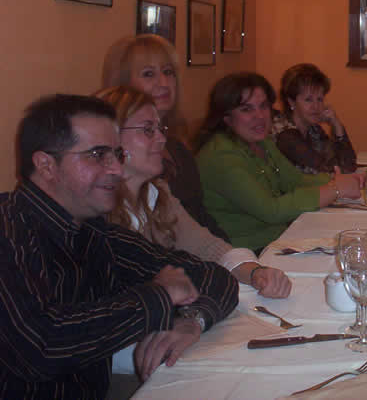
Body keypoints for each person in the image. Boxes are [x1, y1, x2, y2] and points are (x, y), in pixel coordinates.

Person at [0, 94, 238, 398]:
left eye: (116, 154)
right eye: (98, 154)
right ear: (46, 165)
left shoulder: (94, 232)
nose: (116, 169)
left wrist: (192, 321)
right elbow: (41, 347)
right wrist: (158, 296)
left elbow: (212, 275)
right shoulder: (9, 231)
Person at [97, 85, 292, 299]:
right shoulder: (97, 214)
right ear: (111, 137)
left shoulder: (158, 193)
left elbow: (206, 246)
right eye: (148, 130)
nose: (162, 139)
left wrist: (255, 272)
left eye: (160, 129)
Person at [195, 72, 363, 251]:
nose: (259, 116)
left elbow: (295, 181)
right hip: (247, 253)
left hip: (279, 238)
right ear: (226, 117)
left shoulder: (261, 142)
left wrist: (339, 180)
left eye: (263, 106)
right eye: (247, 109)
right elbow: (272, 210)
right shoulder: (221, 156)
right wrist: (335, 188)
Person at [102, 34, 230, 241]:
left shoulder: (178, 148)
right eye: (148, 74)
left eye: (168, 72)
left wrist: (233, 254)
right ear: (123, 84)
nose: (163, 83)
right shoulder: (107, 176)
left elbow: (201, 218)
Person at [273, 63, 357, 174]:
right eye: (308, 100)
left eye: (320, 99)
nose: (316, 106)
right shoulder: (285, 134)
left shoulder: (314, 130)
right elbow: (328, 170)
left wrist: (337, 126)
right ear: (291, 102)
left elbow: (348, 166)